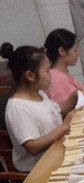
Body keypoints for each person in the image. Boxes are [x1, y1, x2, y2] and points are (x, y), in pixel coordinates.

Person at [1, 43, 76, 172]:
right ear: (30, 75)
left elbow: (56, 111)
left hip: (56, 158)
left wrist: (75, 96)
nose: (51, 74)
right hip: (38, 172)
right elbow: (33, 147)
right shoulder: (18, 108)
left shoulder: (39, 94)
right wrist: (64, 127)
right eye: (47, 71)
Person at [44, 28, 84, 103]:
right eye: (75, 50)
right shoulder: (55, 80)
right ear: (61, 51)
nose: (77, 54)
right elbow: (65, 107)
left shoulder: (64, 73)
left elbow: (81, 90)